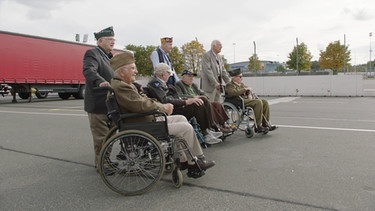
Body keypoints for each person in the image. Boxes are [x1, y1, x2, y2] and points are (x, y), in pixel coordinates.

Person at [109, 50, 215, 175]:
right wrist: (163, 107)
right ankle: (196, 162)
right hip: (143, 124)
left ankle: (184, 160)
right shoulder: (122, 86)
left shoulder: (123, 84)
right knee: (186, 128)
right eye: (132, 68)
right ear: (122, 71)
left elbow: (144, 101)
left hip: (142, 120)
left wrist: (162, 106)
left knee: (181, 118)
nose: (136, 72)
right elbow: (141, 104)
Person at [147, 63, 223, 145]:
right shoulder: (155, 84)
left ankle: (209, 129)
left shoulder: (160, 83)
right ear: (163, 74)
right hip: (169, 111)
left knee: (201, 99)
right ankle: (206, 134)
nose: (170, 76)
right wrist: (185, 101)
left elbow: (173, 97)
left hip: (172, 107)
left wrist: (186, 99)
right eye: (169, 73)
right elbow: (165, 100)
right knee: (197, 104)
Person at [82, 26, 116, 168]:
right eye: (110, 40)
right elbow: (89, 70)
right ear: (100, 41)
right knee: (101, 136)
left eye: (114, 40)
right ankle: (103, 165)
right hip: (98, 104)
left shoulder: (110, 58)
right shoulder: (92, 53)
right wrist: (100, 81)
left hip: (111, 104)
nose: (113, 42)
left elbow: (118, 77)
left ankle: (105, 160)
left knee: (111, 135)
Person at [175, 69, 235, 133]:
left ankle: (223, 124)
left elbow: (202, 93)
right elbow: (179, 96)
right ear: (183, 77)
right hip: (191, 105)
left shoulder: (194, 85)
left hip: (201, 102)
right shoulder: (179, 84)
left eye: (193, 76)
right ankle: (215, 126)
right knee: (208, 104)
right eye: (189, 76)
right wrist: (194, 97)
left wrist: (203, 96)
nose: (192, 78)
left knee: (217, 104)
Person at [225, 68, 277, 133]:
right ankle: (258, 126)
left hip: (244, 100)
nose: (242, 78)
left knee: (264, 102)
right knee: (258, 102)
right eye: (240, 76)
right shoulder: (229, 85)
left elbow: (248, 90)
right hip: (237, 101)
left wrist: (249, 92)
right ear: (234, 77)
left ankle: (265, 124)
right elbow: (233, 93)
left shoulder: (241, 84)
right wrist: (245, 89)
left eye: (242, 76)